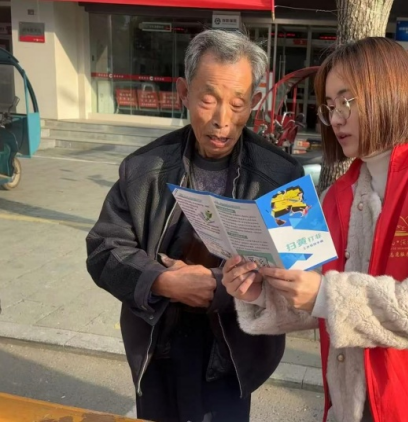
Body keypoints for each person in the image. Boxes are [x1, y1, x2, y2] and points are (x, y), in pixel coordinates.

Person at [222, 37, 408, 422]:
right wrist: (259, 292)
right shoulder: (334, 196)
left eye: (346, 101)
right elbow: (313, 295)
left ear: (391, 92)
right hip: (355, 404)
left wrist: (327, 295)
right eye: (329, 107)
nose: (336, 118)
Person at [86, 30, 304, 422]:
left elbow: (298, 268)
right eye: (208, 99)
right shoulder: (143, 168)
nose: (222, 120)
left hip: (233, 352)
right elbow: (105, 248)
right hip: (158, 343)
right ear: (184, 92)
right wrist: (160, 281)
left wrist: (220, 286)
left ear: (254, 102)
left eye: (237, 103)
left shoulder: (282, 177)